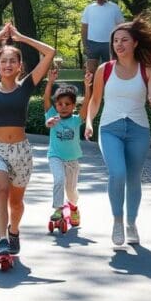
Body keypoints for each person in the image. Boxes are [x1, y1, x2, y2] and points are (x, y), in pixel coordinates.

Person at [0, 22, 56, 262]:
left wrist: (21, 37)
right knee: (1, 191)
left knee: (16, 203)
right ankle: (2, 240)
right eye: (3, 61)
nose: (7, 64)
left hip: (21, 152)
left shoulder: (26, 86)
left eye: (12, 61)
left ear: (19, 66)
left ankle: (14, 231)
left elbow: (50, 53)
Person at [84, 15, 151, 247]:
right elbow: (96, 101)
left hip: (138, 130)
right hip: (109, 129)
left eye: (124, 40)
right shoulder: (104, 69)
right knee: (118, 173)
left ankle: (131, 223)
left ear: (135, 43)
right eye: (115, 41)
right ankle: (117, 220)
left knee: (134, 178)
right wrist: (89, 122)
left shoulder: (148, 69)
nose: (119, 44)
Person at [43, 68, 93, 229]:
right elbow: (46, 99)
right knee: (59, 180)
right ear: (55, 105)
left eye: (67, 104)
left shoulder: (76, 120)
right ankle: (58, 209)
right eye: (60, 104)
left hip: (72, 160)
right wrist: (50, 82)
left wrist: (87, 85)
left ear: (73, 106)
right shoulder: (52, 116)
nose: (63, 107)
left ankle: (73, 208)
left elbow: (87, 102)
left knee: (71, 191)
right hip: (55, 156)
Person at [81, 0, 124, 73]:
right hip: (92, 43)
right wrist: (85, 45)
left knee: (109, 69)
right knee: (91, 71)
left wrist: (119, 42)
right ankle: (91, 83)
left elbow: (121, 26)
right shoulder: (89, 8)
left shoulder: (114, 8)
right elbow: (84, 28)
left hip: (109, 43)